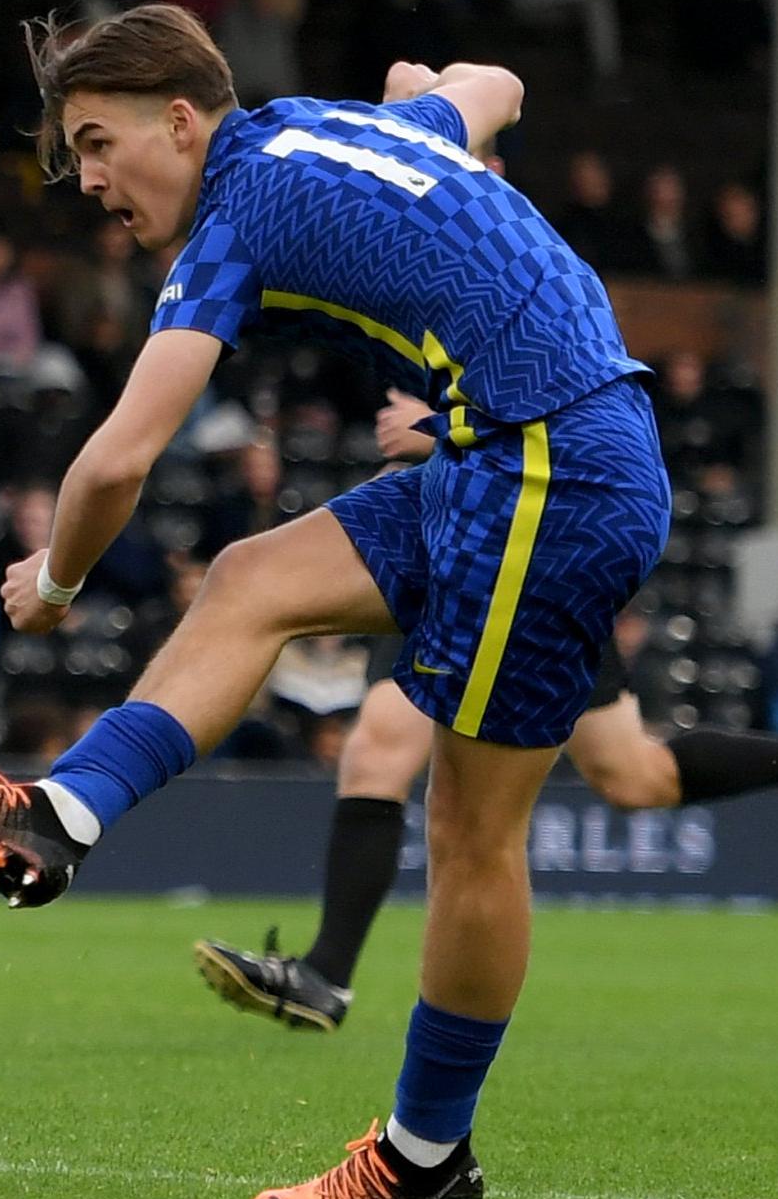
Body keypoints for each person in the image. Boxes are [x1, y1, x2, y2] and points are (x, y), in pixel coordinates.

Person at [0, 7, 670, 1199]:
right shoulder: (339, 129)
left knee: (468, 834)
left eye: (97, 141)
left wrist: (59, 579)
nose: (88, 179)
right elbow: (495, 79)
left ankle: (419, 1157)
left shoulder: (243, 210)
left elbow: (114, 462)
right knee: (251, 580)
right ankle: (52, 816)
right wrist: (429, 89)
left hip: (556, 470)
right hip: (504, 455)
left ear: (182, 120)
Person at [196, 401, 778, 1032]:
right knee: (377, 748)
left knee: (634, 776)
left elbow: (566, 417)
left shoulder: (533, 315)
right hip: (447, 551)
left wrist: (437, 427)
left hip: (533, 558)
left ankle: (337, 984)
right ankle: (325, 974)